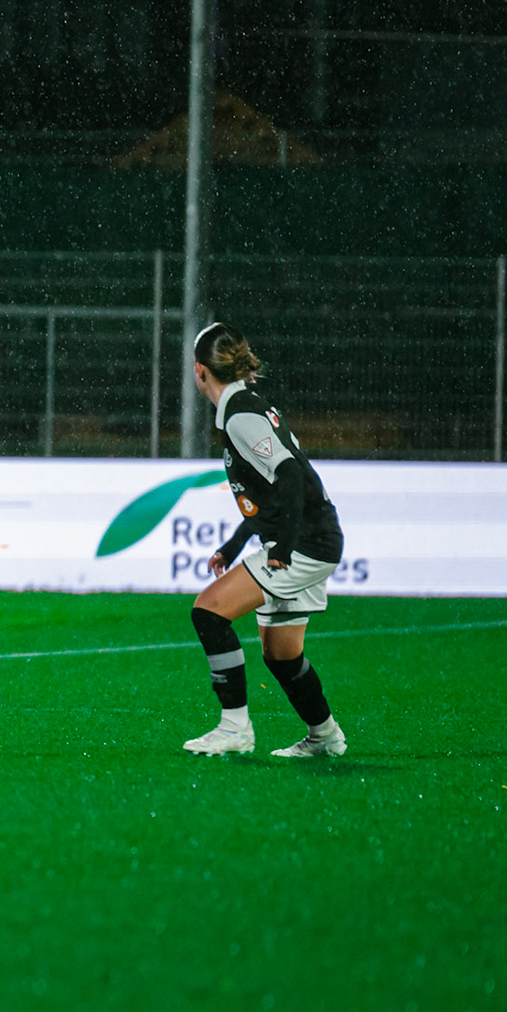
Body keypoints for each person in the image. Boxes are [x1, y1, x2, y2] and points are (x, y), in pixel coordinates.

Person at [183, 322, 349, 758]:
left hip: (305, 543)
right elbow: (272, 495)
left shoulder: (240, 416)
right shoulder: (248, 407)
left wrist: (283, 546)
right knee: (282, 656)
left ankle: (234, 728)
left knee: (208, 612)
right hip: (315, 537)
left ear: (200, 370)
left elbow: (290, 475)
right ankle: (326, 737)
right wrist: (234, 546)